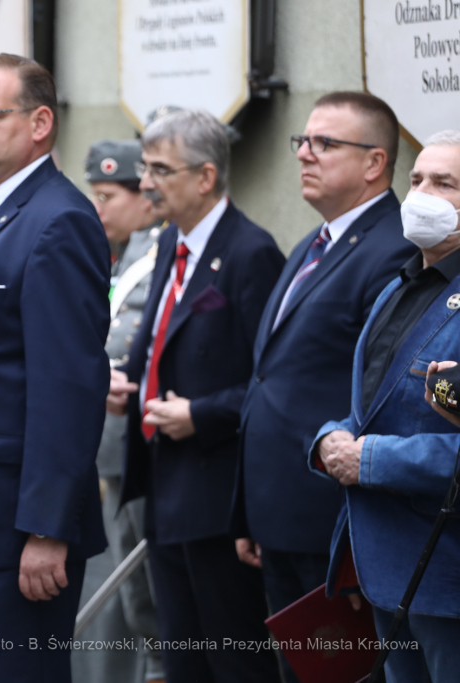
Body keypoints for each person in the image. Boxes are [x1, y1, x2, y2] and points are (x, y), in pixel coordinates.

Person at [230, 92, 415, 683]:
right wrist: (250, 511)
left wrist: (354, 544)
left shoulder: (394, 249)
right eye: (303, 142)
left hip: (333, 525)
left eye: (325, 144)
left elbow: (382, 397)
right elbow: (272, 379)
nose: (305, 154)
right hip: (281, 515)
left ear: (374, 163)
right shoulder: (315, 244)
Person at [0, 54, 110, 683]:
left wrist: (46, 531)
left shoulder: (58, 220)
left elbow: (67, 386)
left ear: (40, 122)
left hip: (16, 532)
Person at [111, 109, 285, 683]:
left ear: (205, 177)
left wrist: (202, 413)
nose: (146, 183)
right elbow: (160, 343)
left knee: (234, 662)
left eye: (161, 169)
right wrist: (128, 389)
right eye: (146, 168)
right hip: (162, 489)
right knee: (182, 659)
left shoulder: (250, 252)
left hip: (218, 499)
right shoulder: (167, 245)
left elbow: (272, 383)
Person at [310, 130, 460, 682]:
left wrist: (371, 460)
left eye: (445, 183)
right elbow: (370, 407)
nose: (421, 194)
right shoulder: (399, 287)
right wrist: (329, 437)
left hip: (445, 571)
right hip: (382, 568)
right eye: (417, 179)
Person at [75, 138, 165, 683]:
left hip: (139, 447)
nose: (98, 208)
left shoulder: (155, 254)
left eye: (108, 195)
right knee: (129, 600)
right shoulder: (122, 254)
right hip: (107, 449)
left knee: (150, 603)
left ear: (145, 197)